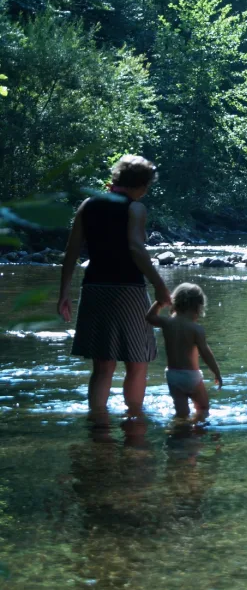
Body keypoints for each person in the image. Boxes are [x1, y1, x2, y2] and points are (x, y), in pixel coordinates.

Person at [57, 154, 171, 420]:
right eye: (147, 187)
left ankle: (97, 422)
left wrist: (64, 293)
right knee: (138, 361)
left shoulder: (88, 205)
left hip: (94, 286)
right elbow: (135, 248)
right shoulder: (135, 208)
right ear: (140, 184)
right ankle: (134, 420)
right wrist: (159, 285)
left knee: (103, 365)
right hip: (127, 288)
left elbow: (71, 251)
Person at [146, 283, 223, 421]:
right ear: (198, 307)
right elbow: (206, 354)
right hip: (191, 376)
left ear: (174, 303)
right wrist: (216, 372)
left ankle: (178, 433)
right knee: (203, 408)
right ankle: (196, 435)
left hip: (172, 375)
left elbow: (149, 317)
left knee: (181, 413)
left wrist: (160, 302)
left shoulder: (167, 323)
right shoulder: (196, 329)